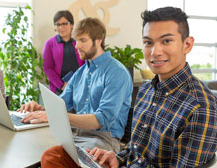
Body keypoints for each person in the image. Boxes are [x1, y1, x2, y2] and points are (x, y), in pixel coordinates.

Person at [40, 7, 217, 168]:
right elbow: (135, 150)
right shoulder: (147, 91)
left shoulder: (200, 107)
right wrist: (117, 158)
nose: (155, 52)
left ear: (187, 45)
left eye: (166, 41)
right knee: (52, 156)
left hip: (102, 138)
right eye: (148, 42)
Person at [19, 17, 133, 153]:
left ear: (98, 41)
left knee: (52, 155)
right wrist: (40, 110)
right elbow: (61, 104)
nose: (77, 46)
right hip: (75, 134)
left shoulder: (116, 72)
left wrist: (55, 116)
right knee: (32, 145)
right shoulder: (80, 73)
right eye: (76, 40)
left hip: (102, 140)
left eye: (83, 40)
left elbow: (102, 120)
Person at [43, 10, 85, 95]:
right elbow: (47, 68)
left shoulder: (79, 42)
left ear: (72, 25)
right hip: (59, 89)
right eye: (58, 24)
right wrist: (62, 85)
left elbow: (85, 64)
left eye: (65, 24)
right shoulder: (50, 43)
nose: (62, 27)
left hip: (79, 87)